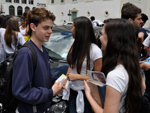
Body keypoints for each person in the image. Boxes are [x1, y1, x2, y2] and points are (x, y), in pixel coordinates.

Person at [84, 18, 145, 113]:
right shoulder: (131, 65)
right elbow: (142, 88)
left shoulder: (115, 75)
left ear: (112, 39)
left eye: (103, 34)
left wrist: (89, 95)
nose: (100, 38)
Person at [12, 8, 64, 113]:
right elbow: (21, 91)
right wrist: (51, 92)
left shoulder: (43, 50)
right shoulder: (26, 54)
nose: (50, 31)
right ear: (33, 27)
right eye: (46, 28)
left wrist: (57, 84)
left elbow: (41, 82)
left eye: (51, 27)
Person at [62, 16, 102, 113]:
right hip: (71, 91)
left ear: (80, 30)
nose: (71, 30)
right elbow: (71, 66)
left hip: (86, 94)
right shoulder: (75, 46)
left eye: (72, 27)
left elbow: (98, 79)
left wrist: (78, 77)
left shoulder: (95, 50)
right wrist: (64, 80)